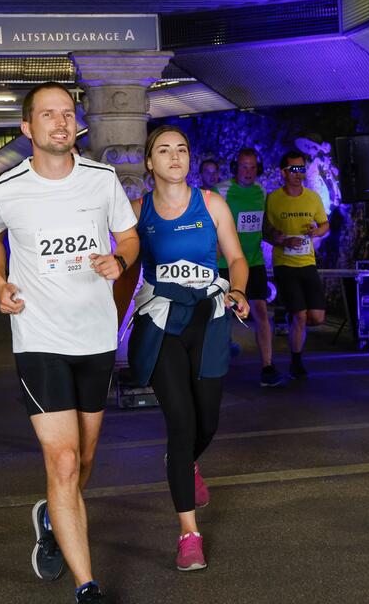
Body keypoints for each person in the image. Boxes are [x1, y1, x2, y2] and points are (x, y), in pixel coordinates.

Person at [0, 81, 138, 604]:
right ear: (27, 129)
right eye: (48, 115)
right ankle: (86, 586)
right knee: (65, 461)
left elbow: (129, 236)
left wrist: (120, 260)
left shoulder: (101, 180)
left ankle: (52, 513)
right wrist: (0, 282)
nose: (60, 123)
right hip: (39, 338)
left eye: (67, 113)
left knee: (85, 458)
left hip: (94, 337)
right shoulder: (3, 189)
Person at [126, 125, 249, 571]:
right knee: (181, 424)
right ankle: (188, 534)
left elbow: (235, 257)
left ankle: (183, 463)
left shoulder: (212, 204)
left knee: (207, 421)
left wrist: (238, 289)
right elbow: (123, 263)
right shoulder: (138, 211)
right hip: (161, 322)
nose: (175, 156)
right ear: (149, 162)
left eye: (181, 149)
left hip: (209, 318)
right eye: (164, 150)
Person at [215, 148, 285, 387]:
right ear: (236, 168)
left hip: (253, 261)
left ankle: (268, 366)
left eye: (253, 167)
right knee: (221, 315)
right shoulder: (222, 191)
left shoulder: (261, 191)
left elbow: (260, 226)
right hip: (225, 263)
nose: (248, 172)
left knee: (261, 312)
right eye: (244, 167)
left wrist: (277, 237)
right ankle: (215, 365)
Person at [263, 150, 329, 379]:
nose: (299, 174)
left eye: (302, 169)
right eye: (294, 169)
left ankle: (293, 324)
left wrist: (316, 231)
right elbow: (266, 231)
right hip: (285, 265)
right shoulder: (273, 199)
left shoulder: (312, 197)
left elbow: (324, 225)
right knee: (301, 315)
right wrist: (280, 239)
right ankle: (296, 361)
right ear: (284, 172)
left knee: (317, 318)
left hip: (307, 262)